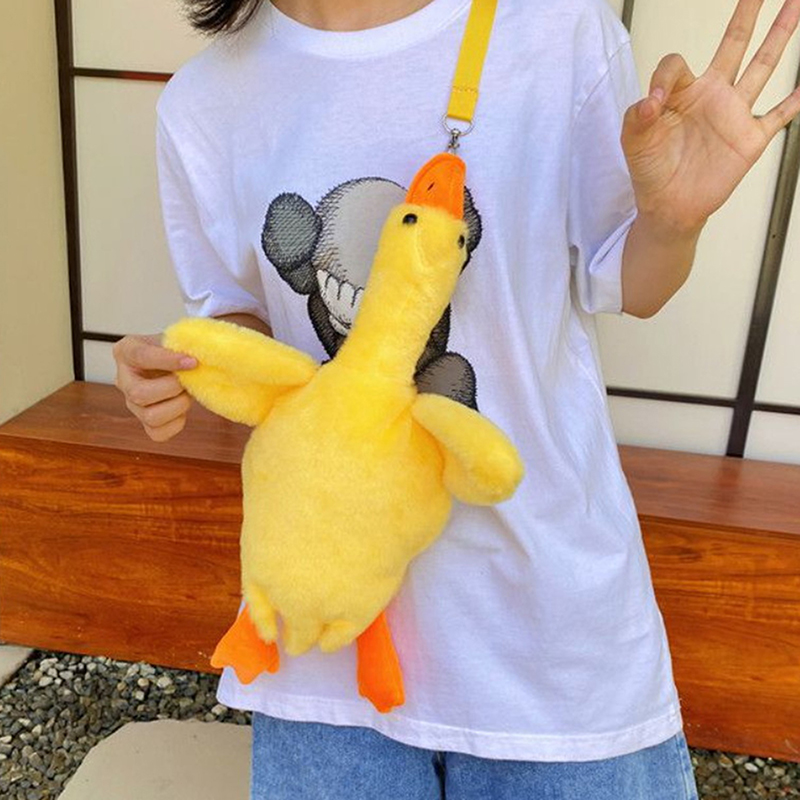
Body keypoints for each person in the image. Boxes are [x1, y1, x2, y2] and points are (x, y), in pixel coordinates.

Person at [112, 0, 800, 797]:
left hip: (548, 641)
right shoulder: (205, 100)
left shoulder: (555, 33)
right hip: (320, 640)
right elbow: (243, 318)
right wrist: (182, 364)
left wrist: (674, 223)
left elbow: (630, 285)